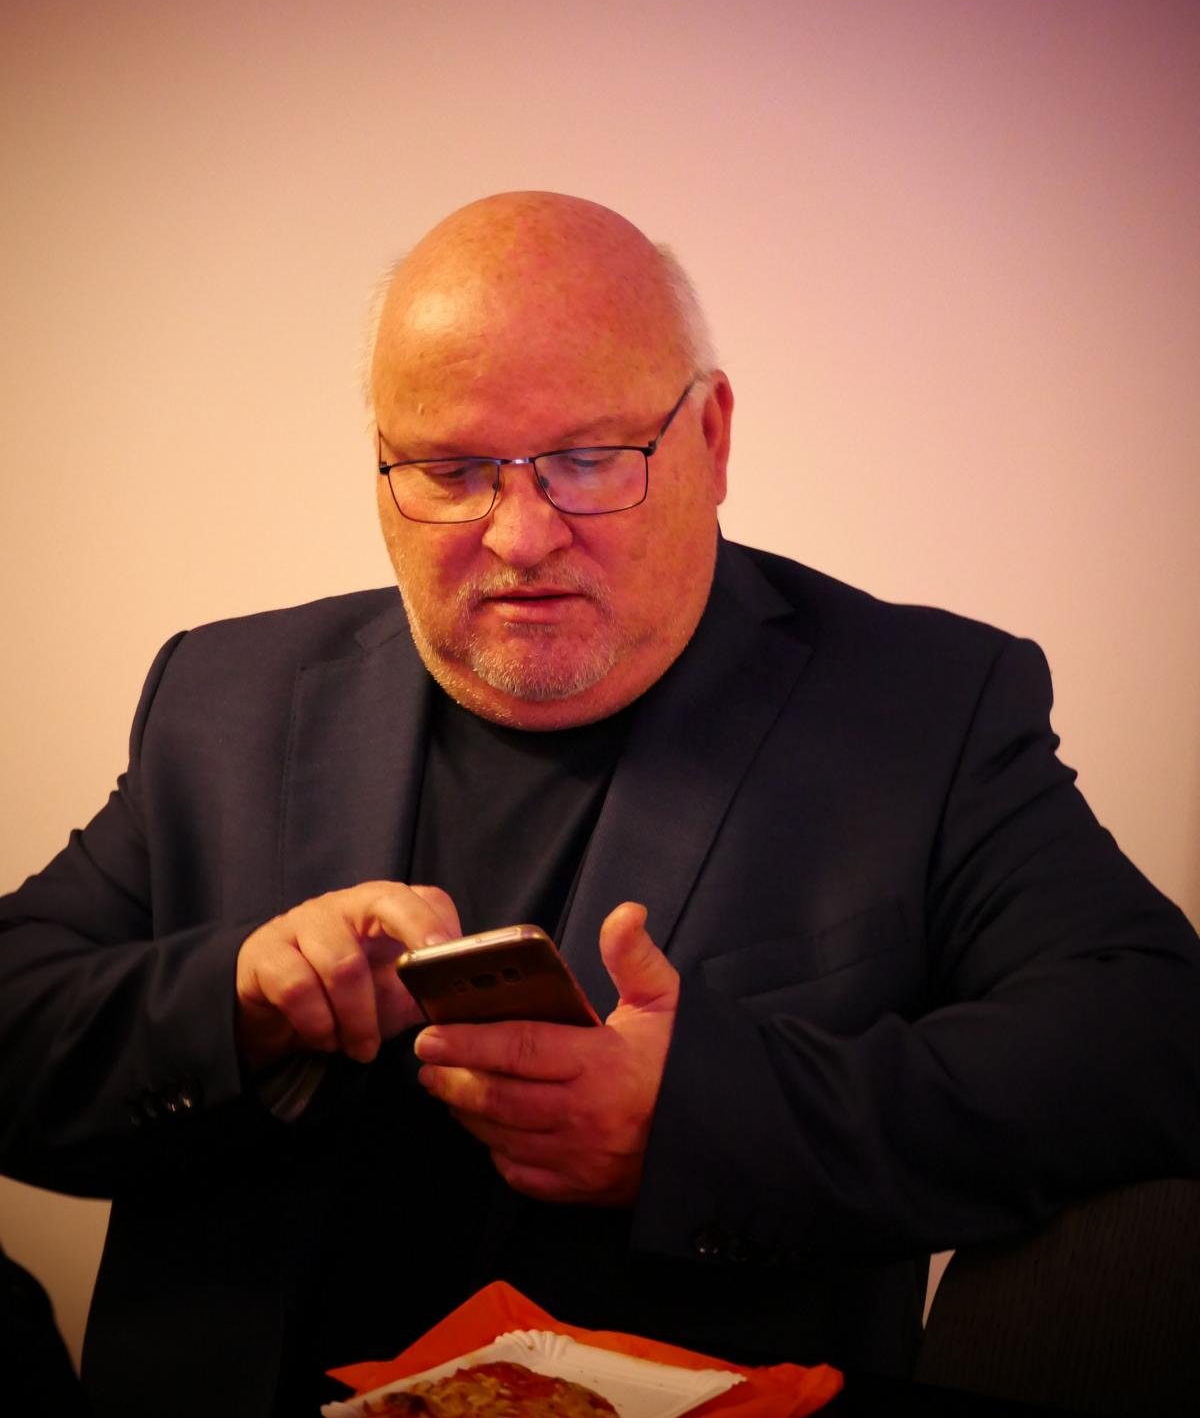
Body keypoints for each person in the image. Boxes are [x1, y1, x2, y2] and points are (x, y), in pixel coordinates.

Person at [0, 192, 1197, 1418]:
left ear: (711, 438)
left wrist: (702, 1122)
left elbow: (1154, 1037)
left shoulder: (924, 709)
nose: (521, 537)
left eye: (586, 460)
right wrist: (238, 1005)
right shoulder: (222, 695)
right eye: (452, 471)